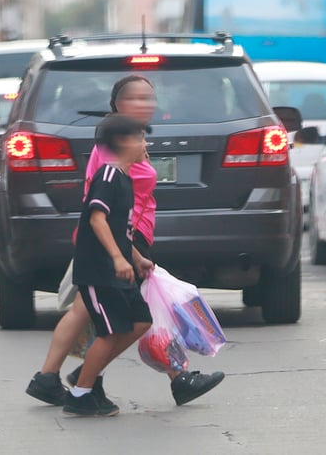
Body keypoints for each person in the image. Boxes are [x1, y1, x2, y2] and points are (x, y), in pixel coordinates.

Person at [27, 75, 225, 409]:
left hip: (127, 242)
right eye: (135, 98)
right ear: (117, 105)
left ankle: (63, 378)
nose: (144, 104)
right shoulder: (113, 149)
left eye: (149, 98)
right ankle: (166, 377)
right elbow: (98, 209)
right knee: (123, 313)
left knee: (108, 314)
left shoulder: (132, 143)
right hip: (111, 245)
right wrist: (122, 255)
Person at [61, 114, 155, 417]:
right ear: (123, 142)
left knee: (141, 321)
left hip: (118, 268)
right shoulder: (108, 176)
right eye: (141, 138)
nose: (146, 144)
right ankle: (81, 393)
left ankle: (88, 373)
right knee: (110, 332)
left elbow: (120, 229)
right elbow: (97, 218)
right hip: (99, 270)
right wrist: (117, 258)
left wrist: (136, 258)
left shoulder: (125, 179)